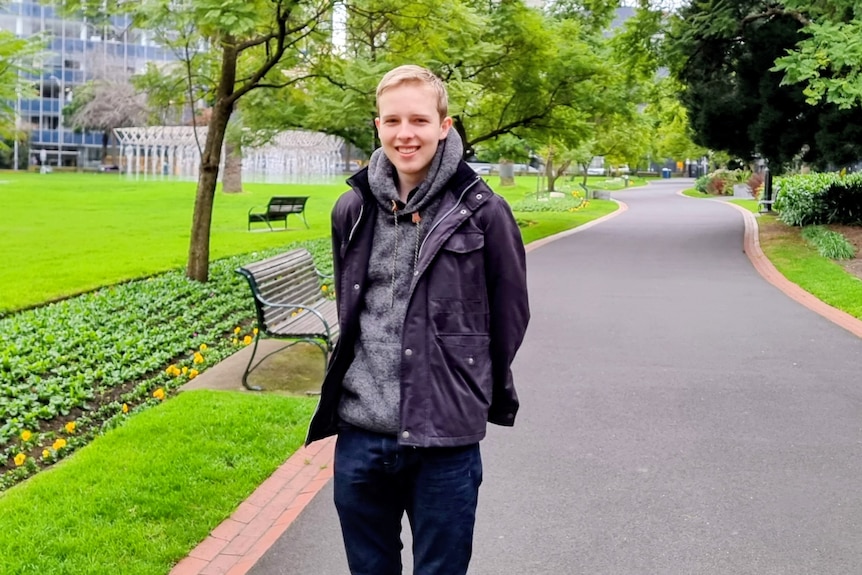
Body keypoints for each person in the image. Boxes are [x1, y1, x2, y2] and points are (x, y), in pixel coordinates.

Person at [305, 64, 530, 575]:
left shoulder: (484, 212)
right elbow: (351, 305)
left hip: (444, 439)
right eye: (392, 122)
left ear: (445, 125)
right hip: (361, 436)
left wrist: (467, 386)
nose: (405, 134)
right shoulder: (352, 209)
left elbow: (510, 314)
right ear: (378, 127)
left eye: (419, 121)